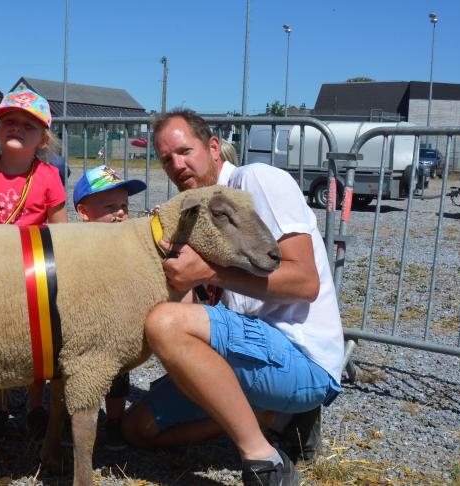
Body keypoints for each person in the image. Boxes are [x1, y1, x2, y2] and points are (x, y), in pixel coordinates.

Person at [121, 110, 344, 486]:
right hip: (250, 351)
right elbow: (200, 315)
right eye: (166, 160)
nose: (177, 165)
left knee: (164, 323)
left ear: (212, 148)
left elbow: (305, 282)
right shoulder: (198, 211)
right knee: (136, 429)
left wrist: (208, 272)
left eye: (185, 150)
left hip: (301, 357)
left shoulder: (254, 181)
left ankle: (264, 461)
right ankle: (270, 418)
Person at [0, 87, 68, 440]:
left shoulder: (49, 177)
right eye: (9, 121)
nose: (17, 128)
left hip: (33, 276)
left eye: (28, 125)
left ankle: (35, 406)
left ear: (43, 139)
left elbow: (61, 231)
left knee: (37, 342)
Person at [71, 164, 146, 449]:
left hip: (114, 325)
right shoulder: (75, 245)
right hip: (81, 326)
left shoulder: (129, 245)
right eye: (110, 206)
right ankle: (75, 424)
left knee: (118, 371)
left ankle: (114, 422)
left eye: (125, 205)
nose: (121, 213)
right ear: (84, 212)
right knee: (76, 378)